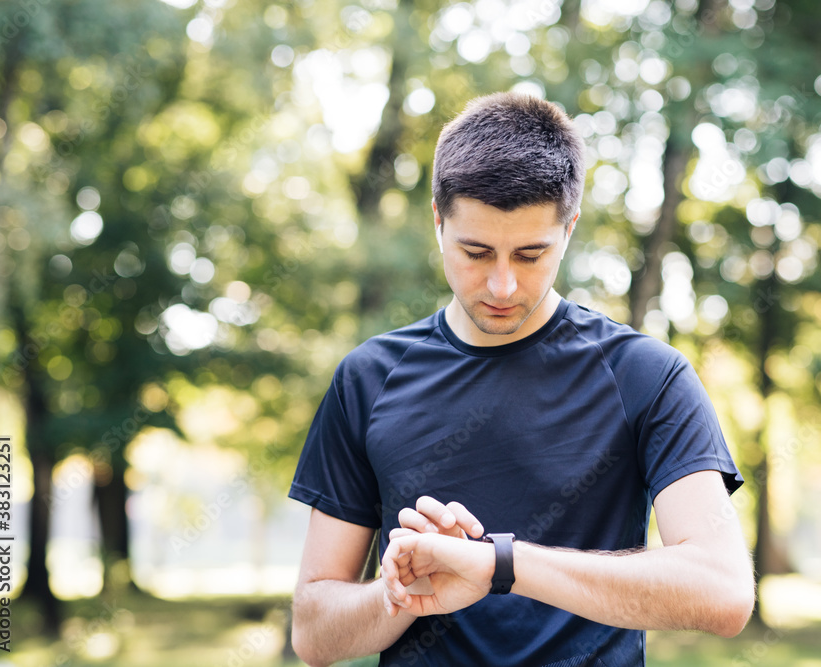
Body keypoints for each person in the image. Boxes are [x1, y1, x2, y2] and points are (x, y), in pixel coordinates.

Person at [289, 91, 754, 667]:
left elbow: (723, 590)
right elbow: (313, 634)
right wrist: (404, 593)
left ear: (570, 228)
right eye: (476, 252)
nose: (503, 286)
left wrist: (497, 565)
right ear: (438, 222)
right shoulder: (366, 380)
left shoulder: (646, 375)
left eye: (531, 254)